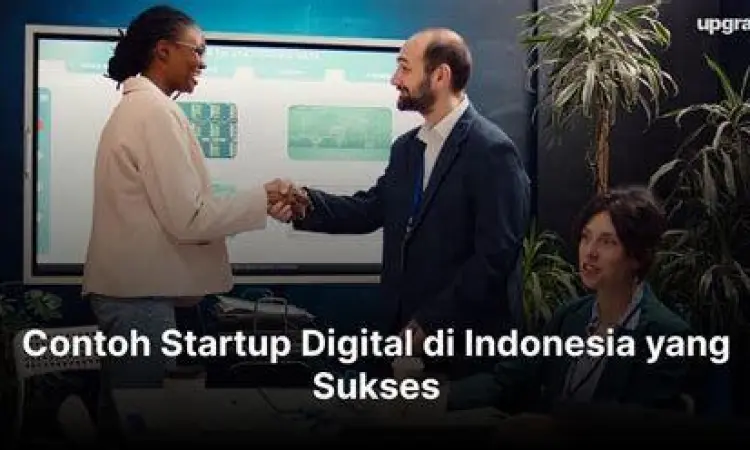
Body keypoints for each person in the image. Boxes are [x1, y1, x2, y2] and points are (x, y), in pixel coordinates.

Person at [269, 28, 531, 378]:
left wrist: (431, 322)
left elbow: (496, 257)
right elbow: (371, 208)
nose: (395, 79)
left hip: (460, 352)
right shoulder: (407, 149)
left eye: (405, 68)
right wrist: (303, 204)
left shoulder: (492, 151)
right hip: (401, 340)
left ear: (440, 76)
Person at [81, 3, 287, 436]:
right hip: (140, 301)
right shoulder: (153, 112)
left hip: (133, 296)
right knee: (145, 421)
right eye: (197, 50)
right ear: (163, 51)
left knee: (123, 417)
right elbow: (189, 217)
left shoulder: (140, 108)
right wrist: (262, 198)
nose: (203, 62)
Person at [445, 186, 692, 413]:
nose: (590, 252)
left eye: (607, 242)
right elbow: (508, 380)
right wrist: (436, 398)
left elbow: (634, 425)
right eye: (586, 237)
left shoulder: (666, 335)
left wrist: (549, 428)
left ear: (637, 256)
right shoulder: (570, 317)